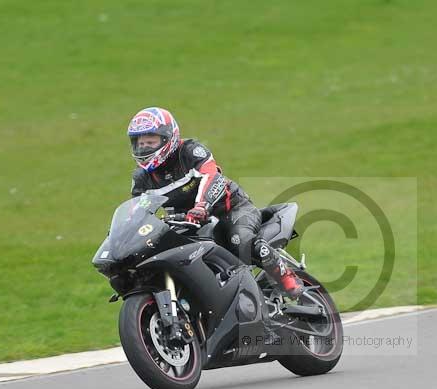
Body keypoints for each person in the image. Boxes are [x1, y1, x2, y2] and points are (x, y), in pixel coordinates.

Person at [127, 107, 304, 298]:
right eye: (140, 142)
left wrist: (202, 205)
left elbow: (212, 177)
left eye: (150, 141)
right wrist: (127, 232)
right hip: (187, 222)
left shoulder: (191, 151)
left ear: (167, 137)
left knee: (241, 240)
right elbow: (138, 209)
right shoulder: (142, 177)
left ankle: (287, 278)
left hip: (231, 209)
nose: (144, 147)